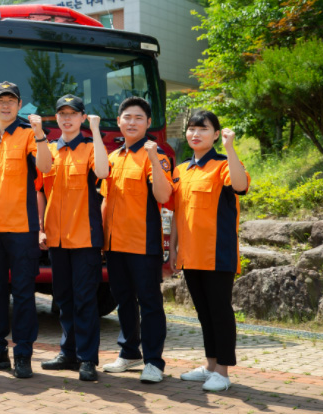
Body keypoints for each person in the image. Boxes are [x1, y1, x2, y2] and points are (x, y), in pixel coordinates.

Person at [169, 110, 249, 392]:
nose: (195, 133)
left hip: (218, 253)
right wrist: (173, 250)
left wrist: (230, 148)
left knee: (219, 311)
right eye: (191, 128)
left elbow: (240, 186)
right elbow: (178, 213)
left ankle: (223, 372)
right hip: (190, 254)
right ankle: (210, 365)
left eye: (203, 129)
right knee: (203, 312)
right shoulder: (181, 170)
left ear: (215, 134)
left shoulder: (223, 164)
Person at [0, 82, 45, 379]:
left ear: (19, 105)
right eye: (0, 100)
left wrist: (40, 136)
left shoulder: (28, 135)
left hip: (22, 228)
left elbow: (45, 167)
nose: (5, 105)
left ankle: (23, 354)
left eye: (11, 101)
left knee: (24, 293)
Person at [32, 94, 109, 382]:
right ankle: (68, 353)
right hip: (57, 239)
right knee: (63, 299)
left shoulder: (91, 148)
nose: (67, 118)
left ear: (82, 117)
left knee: (85, 300)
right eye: (62, 113)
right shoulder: (49, 149)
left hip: (85, 238)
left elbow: (103, 172)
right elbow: (41, 184)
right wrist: (41, 227)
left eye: (72, 114)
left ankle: (88, 359)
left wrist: (97, 132)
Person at [97, 98, 172, 383]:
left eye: (138, 118)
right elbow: (106, 200)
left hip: (143, 243)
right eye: (126, 117)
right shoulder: (113, 157)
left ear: (148, 123)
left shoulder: (157, 155)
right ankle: (129, 353)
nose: (131, 122)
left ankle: (154, 361)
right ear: (118, 121)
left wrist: (153, 159)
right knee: (123, 299)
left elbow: (164, 196)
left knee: (150, 302)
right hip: (115, 244)